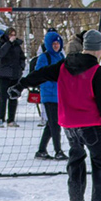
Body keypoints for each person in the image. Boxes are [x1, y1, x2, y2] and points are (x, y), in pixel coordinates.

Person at [9, 29, 101, 201]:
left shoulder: (64, 65)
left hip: (69, 125)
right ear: (99, 50)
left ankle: (76, 195)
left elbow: (39, 74)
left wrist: (20, 86)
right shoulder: (97, 72)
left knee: (76, 155)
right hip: (90, 126)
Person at [34, 30, 67, 161]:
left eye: (57, 43)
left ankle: (41, 150)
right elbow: (39, 74)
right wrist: (52, 81)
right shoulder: (44, 58)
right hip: (49, 94)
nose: (56, 45)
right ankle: (58, 150)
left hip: (59, 94)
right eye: (53, 43)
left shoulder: (60, 57)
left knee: (51, 123)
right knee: (55, 124)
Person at [0, 27, 25, 127]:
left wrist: (21, 67)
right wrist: (8, 43)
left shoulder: (17, 45)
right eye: (10, 35)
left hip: (15, 74)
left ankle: (11, 119)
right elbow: (0, 54)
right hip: (4, 74)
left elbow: (22, 57)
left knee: (13, 97)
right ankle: (0, 118)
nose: (12, 37)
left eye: (14, 35)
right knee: (3, 98)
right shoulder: (1, 43)